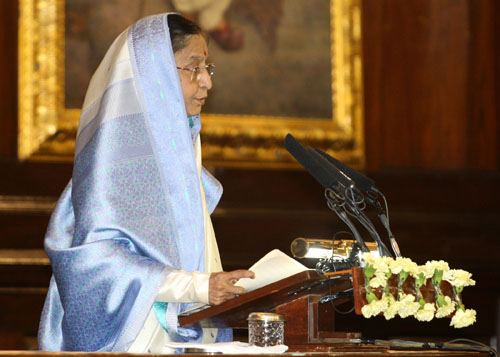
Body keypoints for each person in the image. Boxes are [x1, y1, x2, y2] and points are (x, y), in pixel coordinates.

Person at [38, 13, 254, 352]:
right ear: (157, 74)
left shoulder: (178, 153)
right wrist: (197, 288)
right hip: (133, 338)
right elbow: (96, 261)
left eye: (207, 69)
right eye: (193, 68)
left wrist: (212, 287)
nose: (206, 82)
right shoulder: (115, 156)